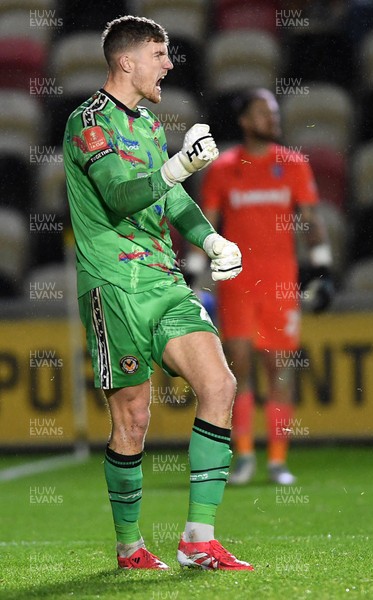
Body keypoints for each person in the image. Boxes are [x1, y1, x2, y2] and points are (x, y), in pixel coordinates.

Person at [63, 15, 253, 571]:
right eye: (160, 53)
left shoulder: (146, 122)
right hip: (112, 286)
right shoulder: (86, 122)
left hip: (165, 282)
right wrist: (175, 169)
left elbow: (168, 201)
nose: (169, 63)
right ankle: (129, 547)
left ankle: (198, 540)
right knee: (133, 419)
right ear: (127, 60)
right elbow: (122, 196)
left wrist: (212, 238)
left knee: (219, 384)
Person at [198, 88, 334, 486]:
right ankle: (242, 456)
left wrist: (322, 269)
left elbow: (310, 219)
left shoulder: (292, 165)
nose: (272, 120)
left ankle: (277, 460)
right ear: (244, 121)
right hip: (236, 284)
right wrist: (194, 271)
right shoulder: (223, 168)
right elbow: (206, 222)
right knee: (238, 369)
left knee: (280, 371)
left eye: (274, 113)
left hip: (280, 284)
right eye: (263, 113)